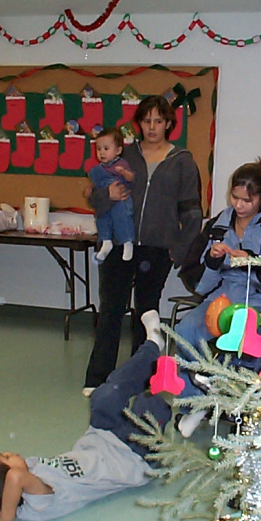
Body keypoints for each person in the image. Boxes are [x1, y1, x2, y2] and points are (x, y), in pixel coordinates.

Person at [0, 311, 171, 521]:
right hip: (133, 458)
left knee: (104, 396)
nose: (9, 453)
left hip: (101, 438)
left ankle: (153, 346)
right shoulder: (38, 501)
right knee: (151, 400)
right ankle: (188, 383)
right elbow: (15, 478)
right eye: (6, 458)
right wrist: (5, 517)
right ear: (9, 489)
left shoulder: (14, 482)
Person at [83, 95, 202, 393]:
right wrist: (104, 197)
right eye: (146, 120)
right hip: (122, 245)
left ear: (169, 123)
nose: (152, 127)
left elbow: (191, 212)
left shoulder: (183, 161)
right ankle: (98, 379)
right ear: (139, 123)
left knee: (146, 313)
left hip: (158, 249)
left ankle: (139, 379)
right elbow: (95, 196)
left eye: (158, 121)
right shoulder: (124, 157)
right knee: (111, 309)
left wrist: (178, 249)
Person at [174, 158, 261, 436]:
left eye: (247, 200)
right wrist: (213, 260)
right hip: (220, 298)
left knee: (240, 342)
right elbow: (200, 285)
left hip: (258, 301)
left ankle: (230, 404)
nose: (239, 205)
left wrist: (255, 262)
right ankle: (193, 404)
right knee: (184, 332)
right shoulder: (219, 224)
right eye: (235, 197)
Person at [85, 128, 136, 263]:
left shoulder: (121, 163)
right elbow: (96, 187)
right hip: (105, 204)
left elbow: (131, 178)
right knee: (102, 219)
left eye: (106, 148)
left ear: (118, 150)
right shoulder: (99, 169)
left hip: (121, 201)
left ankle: (127, 242)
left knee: (122, 219)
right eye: (98, 149)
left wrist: (124, 172)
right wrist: (90, 190)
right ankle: (106, 241)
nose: (101, 152)